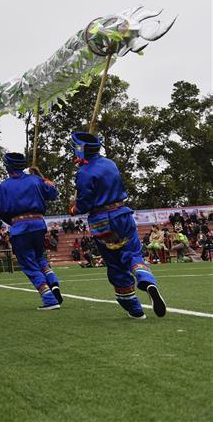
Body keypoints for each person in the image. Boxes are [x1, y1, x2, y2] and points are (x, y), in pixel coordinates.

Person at [69, 132, 166, 319]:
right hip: (123, 214)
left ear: (80, 150)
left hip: (101, 221)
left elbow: (84, 205)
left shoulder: (83, 173)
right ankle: (146, 279)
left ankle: (135, 310)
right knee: (133, 254)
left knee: (115, 265)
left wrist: (74, 209)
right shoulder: (110, 163)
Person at [0, 153, 62, 310]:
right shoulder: (35, 180)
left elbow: (2, 210)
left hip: (20, 228)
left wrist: (13, 223)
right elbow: (53, 193)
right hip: (39, 224)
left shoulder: (5, 185)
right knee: (39, 257)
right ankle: (53, 281)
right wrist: (40, 176)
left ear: (8, 167)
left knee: (28, 262)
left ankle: (48, 298)